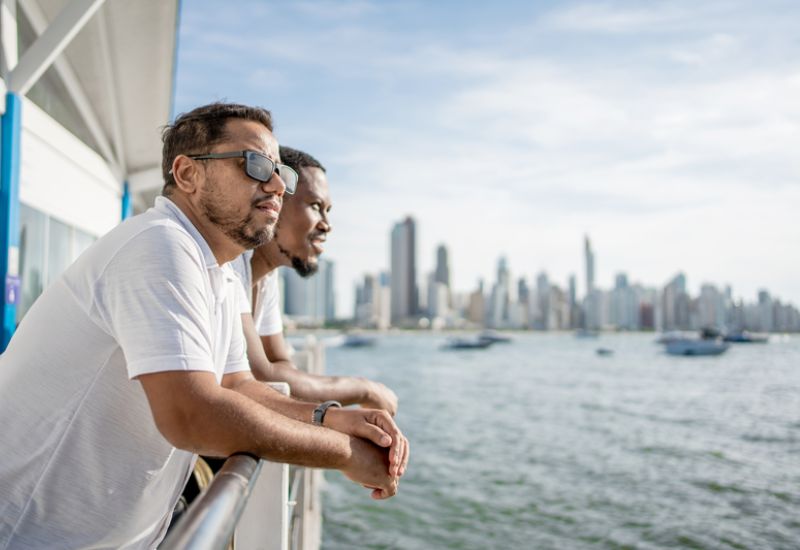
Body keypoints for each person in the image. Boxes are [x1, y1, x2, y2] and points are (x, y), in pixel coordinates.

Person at [0, 102, 408, 549]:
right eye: (255, 165)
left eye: (281, 174)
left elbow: (237, 385)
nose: (276, 185)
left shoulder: (217, 269)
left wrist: (331, 418)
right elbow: (191, 414)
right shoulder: (158, 244)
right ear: (188, 173)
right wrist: (344, 453)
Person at [232, 146, 399, 414]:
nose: (326, 224)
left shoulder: (266, 277)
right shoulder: (231, 264)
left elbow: (279, 365)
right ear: (276, 200)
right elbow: (262, 374)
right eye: (315, 206)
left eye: (328, 211)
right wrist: (364, 389)